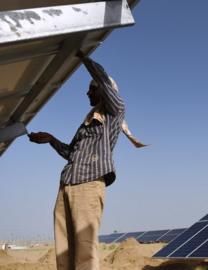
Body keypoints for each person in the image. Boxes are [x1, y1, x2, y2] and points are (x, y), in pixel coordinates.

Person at [28, 52, 145, 270]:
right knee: (64, 250)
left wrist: (81, 53)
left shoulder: (113, 113)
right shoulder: (87, 123)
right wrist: (51, 140)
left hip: (88, 186)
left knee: (84, 249)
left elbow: (102, 79)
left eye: (92, 88)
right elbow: (71, 153)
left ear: (104, 91)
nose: (87, 92)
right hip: (66, 186)